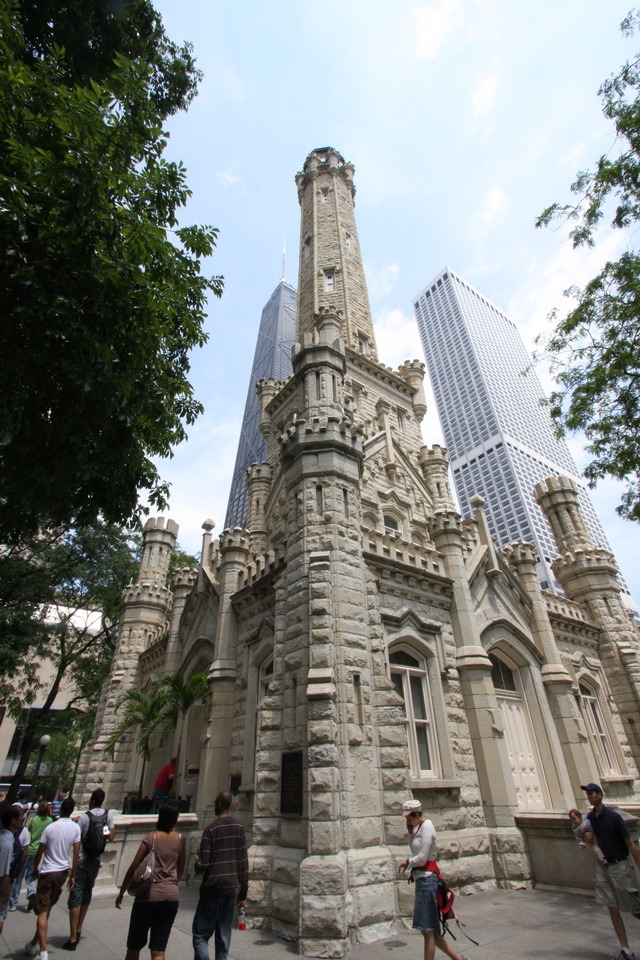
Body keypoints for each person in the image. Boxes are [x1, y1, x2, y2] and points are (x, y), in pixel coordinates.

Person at [398, 800, 468, 960]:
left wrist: (408, 862)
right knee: (428, 930)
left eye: (409, 819)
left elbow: (422, 858)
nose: (407, 822)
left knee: (428, 930)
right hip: (422, 881)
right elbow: (415, 850)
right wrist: (410, 832)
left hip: (429, 881)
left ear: (416, 815)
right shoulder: (416, 829)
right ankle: (459, 959)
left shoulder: (427, 826)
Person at [116, 803, 186, 960]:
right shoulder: (181, 839)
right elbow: (180, 869)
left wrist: (122, 892)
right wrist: (171, 885)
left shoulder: (151, 838)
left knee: (134, 947)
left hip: (147, 897)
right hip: (170, 897)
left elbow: (133, 868)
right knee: (159, 951)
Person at [581, 782, 640, 960]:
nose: (589, 796)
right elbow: (584, 835)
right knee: (612, 908)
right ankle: (625, 949)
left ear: (600, 795)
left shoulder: (614, 817)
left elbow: (630, 844)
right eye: (588, 794)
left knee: (635, 909)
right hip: (603, 866)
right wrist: (586, 837)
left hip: (619, 865)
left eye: (591, 793)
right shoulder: (590, 819)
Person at [192, 791, 248, 960]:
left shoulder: (211, 829)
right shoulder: (239, 828)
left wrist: (197, 862)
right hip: (230, 888)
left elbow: (203, 864)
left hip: (212, 889)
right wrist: (244, 890)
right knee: (223, 938)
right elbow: (243, 862)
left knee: (200, 935)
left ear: (218, 804)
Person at [24, 796, 81, 960]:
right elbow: (76, 853)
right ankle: (33, 944)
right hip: (63, 873)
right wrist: (73, 875)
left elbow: (41, 851)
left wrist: (35, 868)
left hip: (48, 873)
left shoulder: (51, 827)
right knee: (46, 909)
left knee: (42, 912)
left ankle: (42, 953)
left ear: (61, 809)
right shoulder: (75, 828)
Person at [62, 788, 115, 950]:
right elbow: (110, 836)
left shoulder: (84, 818)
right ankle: (78, 929)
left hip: (83, 861)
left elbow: (76, 845)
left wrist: (72, 870)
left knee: (75, 897)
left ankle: (72, 938)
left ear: (92, 801)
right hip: (95, 861)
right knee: (86, 894)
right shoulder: (108, 815)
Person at [24, 802, 53, 911]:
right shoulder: (49, 821)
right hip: (39, 850)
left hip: (28, 848)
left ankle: (14, 901)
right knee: (32, 873)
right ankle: (31, 892)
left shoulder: (32, 819)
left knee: (20, 874)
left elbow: (25, 832)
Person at [0, 803, 22, 935]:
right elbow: (3, 874)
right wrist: (8, 892)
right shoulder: (6, 842)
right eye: (20, 817)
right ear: (13, 821)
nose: (22, 819)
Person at [9, 804, 30, 910]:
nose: (23, 818)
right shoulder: (24, 831)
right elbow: (24, 853)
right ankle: (13, 902)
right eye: (21, 815)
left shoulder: (3, 831)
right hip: (13, 869)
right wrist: (19, 870)